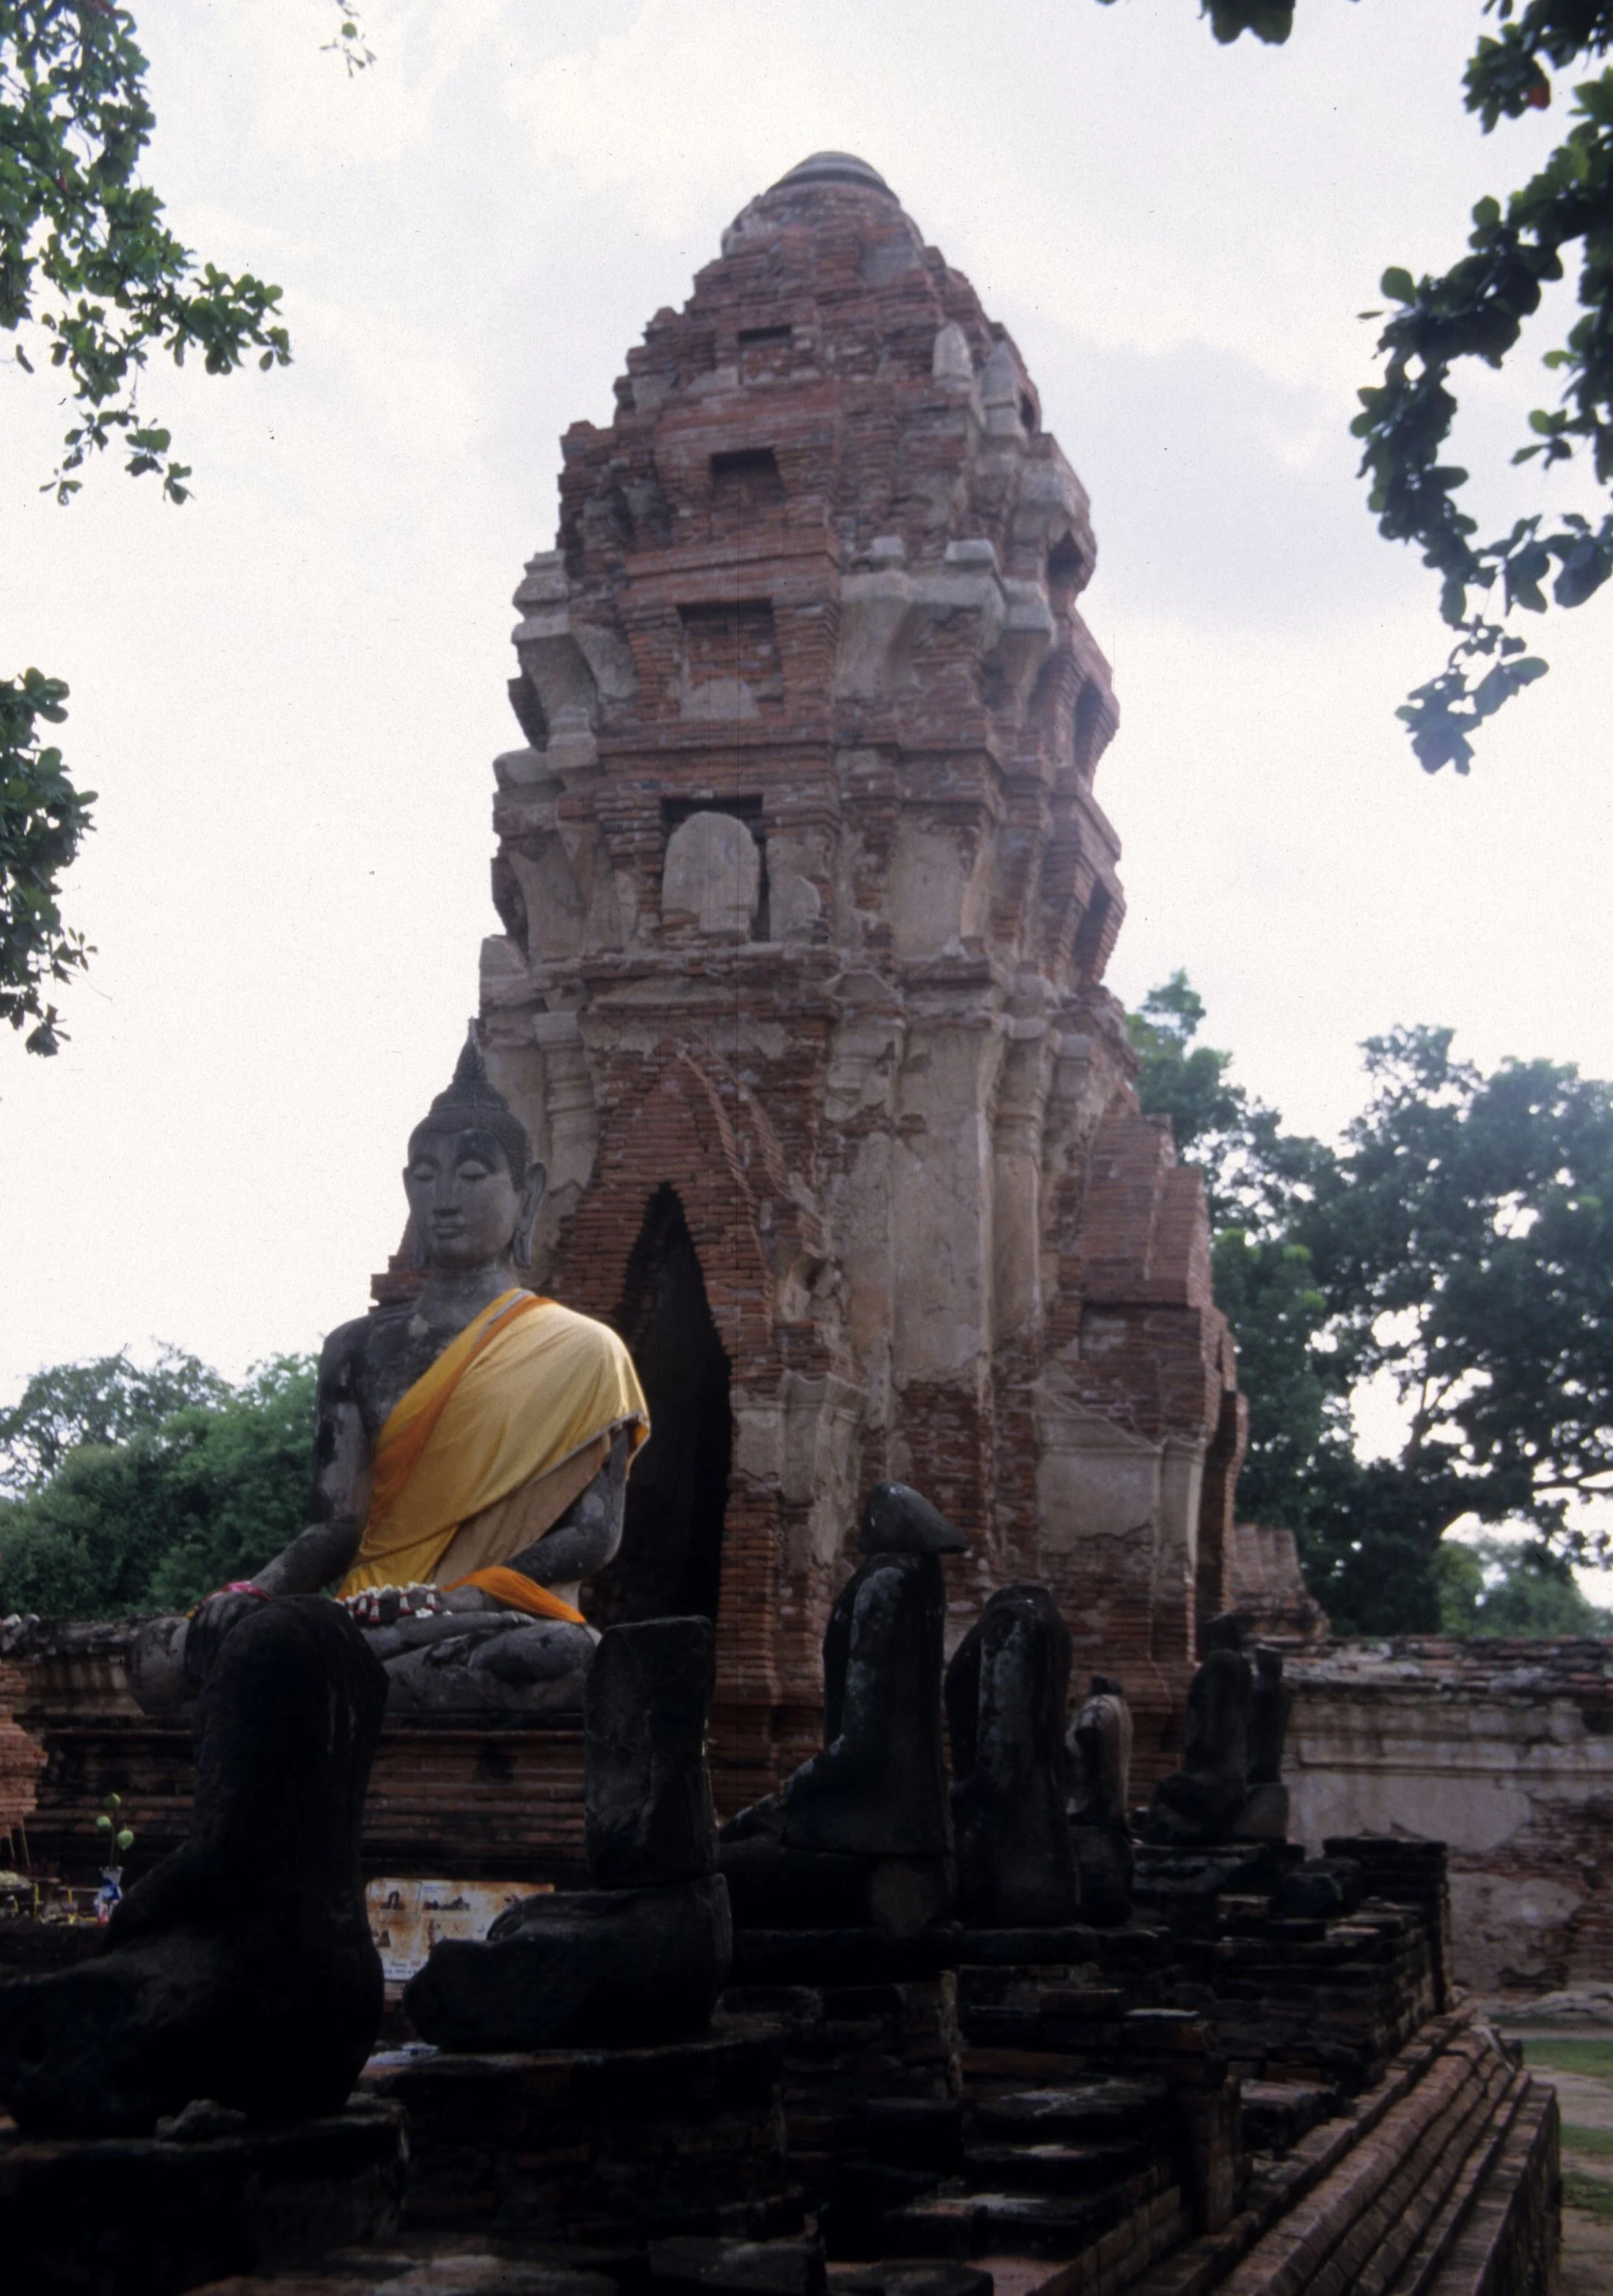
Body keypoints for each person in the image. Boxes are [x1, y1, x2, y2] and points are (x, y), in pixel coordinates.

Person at [131, 1031, 647, 1710]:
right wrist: (252, 1591)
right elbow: (335, 1529)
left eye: (470, 1173)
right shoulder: (357, 1350)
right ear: (407, 1187)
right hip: (366, 1616)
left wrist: (458, 1597)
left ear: (529, 1192)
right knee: (158, 1656)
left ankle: (320, 1691)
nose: (444, 1196)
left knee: (563, 1658)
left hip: (488, 1619)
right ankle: (334, 1682)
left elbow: (593, 1537)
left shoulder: (586, 1352)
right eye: (425, 1174)